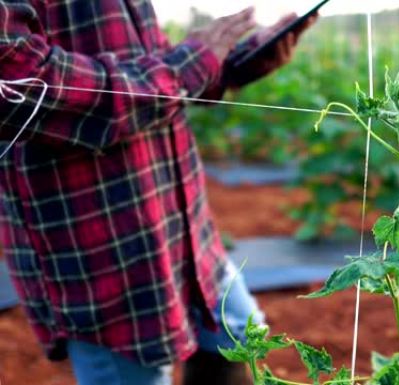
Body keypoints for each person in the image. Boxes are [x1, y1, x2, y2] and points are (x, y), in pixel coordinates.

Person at [0, 1, 316, 384]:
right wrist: (189, 64)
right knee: (137, 371)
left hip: (182, 225)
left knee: (236, 336)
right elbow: (17, 83)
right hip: (102, 251)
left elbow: (151, 73)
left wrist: (232, 61)